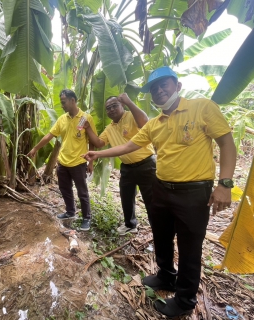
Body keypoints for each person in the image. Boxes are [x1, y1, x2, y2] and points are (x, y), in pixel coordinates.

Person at [83, 66, 236, 317]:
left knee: (189, 247)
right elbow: (131, 145)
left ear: (177, 85)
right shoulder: (155, 124)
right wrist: (97, 153)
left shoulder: (202, 107)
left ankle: (185, 300)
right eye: (154, 88)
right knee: (161, 234)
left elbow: (226, 143)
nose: (158, 90)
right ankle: (166, 276)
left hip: (194, 191)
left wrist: (225, 184)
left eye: (163, 84)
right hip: (162, 187)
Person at [83, 93, 156, 235]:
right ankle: (130, 224)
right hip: (127, 167)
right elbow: (98, 143)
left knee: (151, 199)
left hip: (146, 164)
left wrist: (129, 101)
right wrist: (88, 128)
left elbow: (144, 122)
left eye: (114, 105)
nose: (111, 110)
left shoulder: (131, 115)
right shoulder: (109, 128)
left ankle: (157, 230)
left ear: (122, 105)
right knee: (126, 196)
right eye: (108, 108)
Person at [28, 89, 96, 231]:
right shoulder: (62, 119)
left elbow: (93, 142)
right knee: (65, 189)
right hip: (63, 162)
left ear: (73, 100)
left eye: (64, 102)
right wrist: (35, 149)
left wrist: (91, 162)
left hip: (78, 162)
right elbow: (49, 136)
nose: (62, 105)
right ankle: (70, 212)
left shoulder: (85, 118)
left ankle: (86, 218)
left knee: (82, 191)